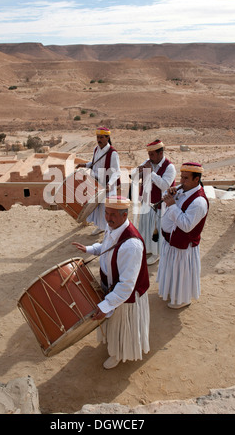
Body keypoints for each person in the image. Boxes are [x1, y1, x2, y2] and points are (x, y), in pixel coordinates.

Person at [72, 196, 150, 369]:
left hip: (124, 296)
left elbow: (126, 286)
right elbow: (105, 247)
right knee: (113, 324)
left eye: (113, 214)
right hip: (112, 288)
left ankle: (119, 354)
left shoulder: (132, 245)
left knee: (123, 326)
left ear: (124, 215)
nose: (108, 218)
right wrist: (89, 249)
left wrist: (107, 304)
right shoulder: (113, 227)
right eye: (106, 213)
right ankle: (113, 345)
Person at [156, 162, 209, 309]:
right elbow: (171, 211)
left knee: (181, 274)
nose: (182, 182)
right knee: (172, 271)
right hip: (171, 241)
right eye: (181, 178)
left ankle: (182, 299)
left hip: (183, 246)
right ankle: (171, 292)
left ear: (196, 179)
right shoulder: (182, 192)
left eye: (186, 178)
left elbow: (186, 225)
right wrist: (169, 197)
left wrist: (172, 205)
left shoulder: (199, 202)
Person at [135, 139, 176, 265]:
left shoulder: (170, 167)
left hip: (160, 205)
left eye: (152, 154)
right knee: (145, 226)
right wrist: (139, 171)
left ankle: (156, 253)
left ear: (160, 153)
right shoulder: (149, 162)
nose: (150, 157)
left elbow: (164, 185)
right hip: (147, 201)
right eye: (149, 154)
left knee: (156, 228)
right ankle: (147, 248)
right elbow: (135, 177)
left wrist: (151, 173)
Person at [76, 126, 121, 235]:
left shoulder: (113, 153)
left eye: (101, 137)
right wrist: (84, 164)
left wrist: (110, 184)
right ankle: (101, 227)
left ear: (107, 138)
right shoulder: (96, 149)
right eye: (98, 137)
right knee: (99, 207)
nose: (99, 140)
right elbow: (94, 163)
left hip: (107, 185)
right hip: (96, 183)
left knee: (107, 209)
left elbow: (117, 172)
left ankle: (109, 230)